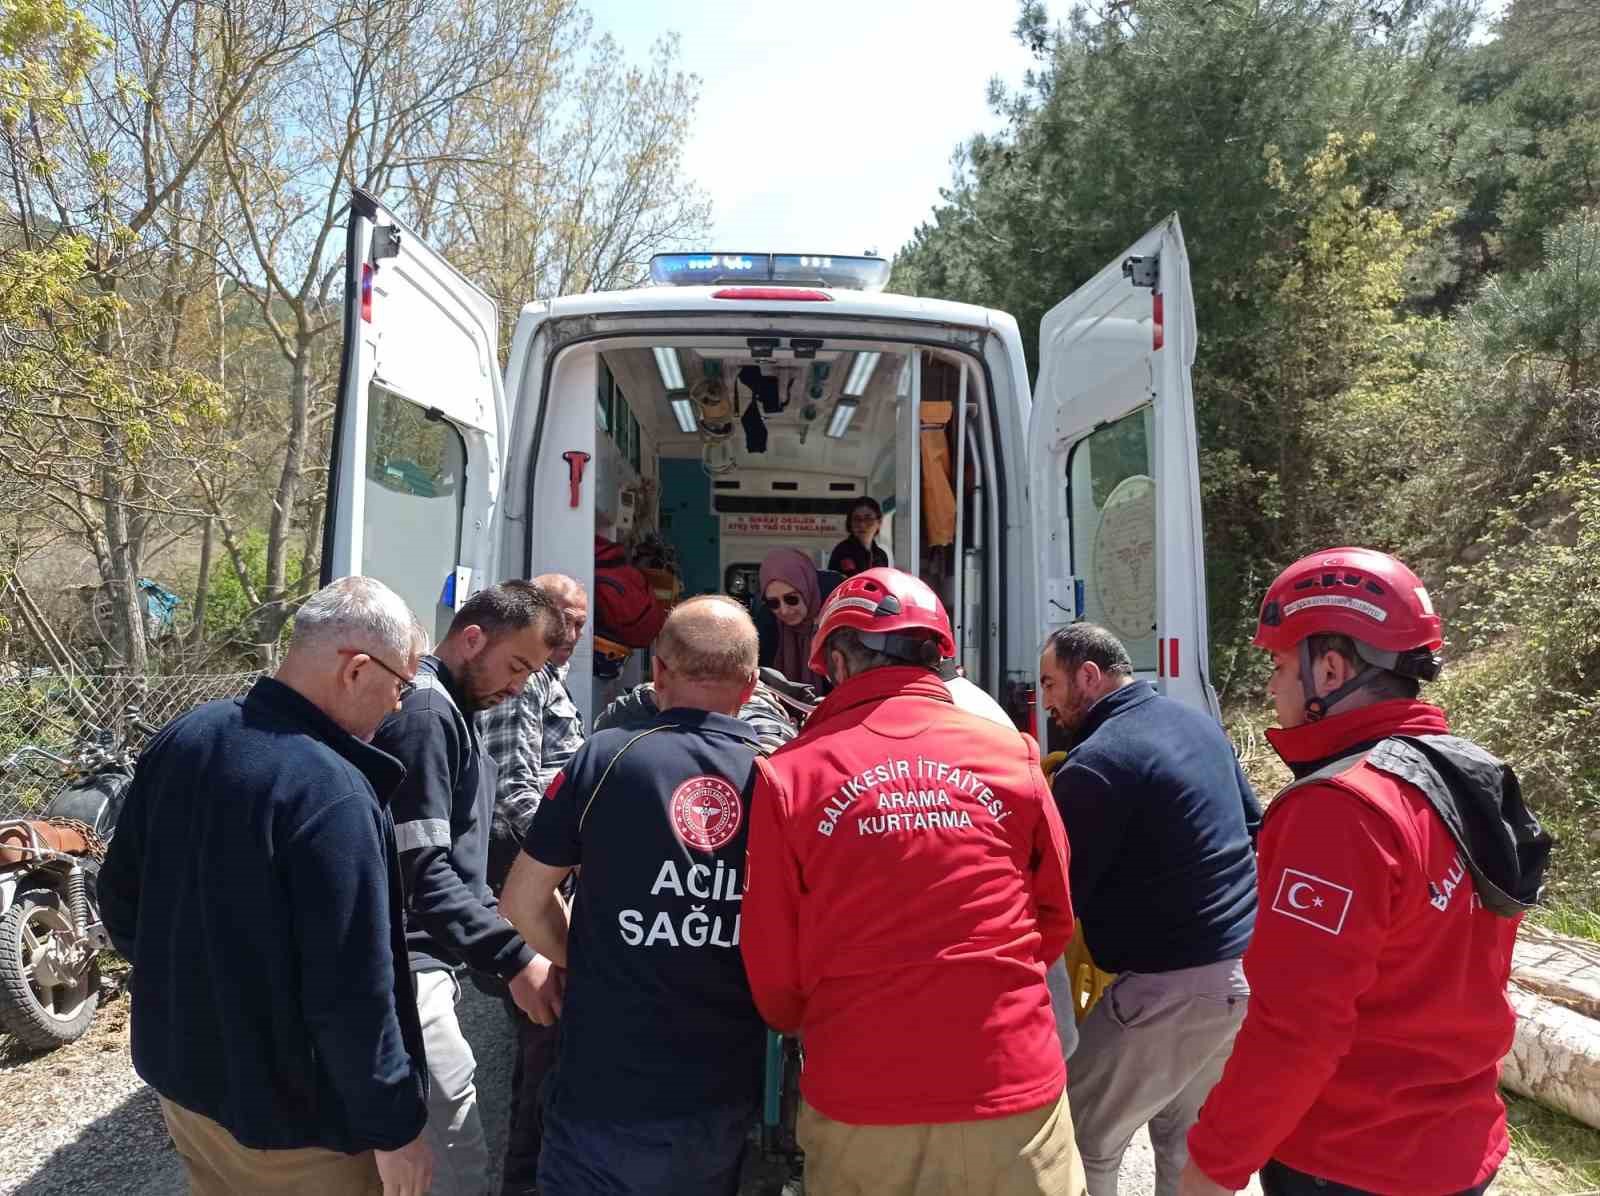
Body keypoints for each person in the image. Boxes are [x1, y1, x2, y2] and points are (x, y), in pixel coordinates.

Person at [1180, 548, 1552, 1196]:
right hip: (1459, 1148)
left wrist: (1211, 1166)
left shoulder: (1338, 810)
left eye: (1277, 666)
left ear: (1329, 669)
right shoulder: (1463, 777)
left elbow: (1296, 1029)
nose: (1270, 688)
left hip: (1353, 1161)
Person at [742, 567, 1086, 1196]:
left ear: (838, 664)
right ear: (935, 655)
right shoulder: (1011, 754)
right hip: (1009, 1085)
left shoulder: (789, 777)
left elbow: (773, 967)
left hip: (861, 1093)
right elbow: (1054, 916)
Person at [99, 577, 432, 1196]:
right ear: (357, 669)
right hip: (299, 1134)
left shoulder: (188, 735)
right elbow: (353, 994)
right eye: (401, 684)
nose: (397, 706)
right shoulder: (334, 796)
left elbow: (120, 898)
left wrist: (197, 998)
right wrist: (397, 1129)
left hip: (188, 1091)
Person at [501, 596, 769, 1195]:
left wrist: (582, 959)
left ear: (659, 672)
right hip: (721, 1094)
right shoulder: (776, 773)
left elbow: (522, 902)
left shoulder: (605, 756)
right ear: (750, 686)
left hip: (605, 1088)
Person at [1040, 623, 1260, 1196]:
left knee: (1082, 1135)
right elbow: (1256, 827)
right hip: (1240, 976)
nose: (1045, 703)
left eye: (1050, 684)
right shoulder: (1198, 724)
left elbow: (1057, 899)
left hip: (1168, 987)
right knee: (1185, 1139)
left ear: (1088, 676)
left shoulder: (1095, 764)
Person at [373, 580, 568, 1196]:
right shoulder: (428, 716)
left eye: (532, 674)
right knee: (452, 1146)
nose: (518, 686)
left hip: (429, 960)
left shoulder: (453, 710)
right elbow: (421, 871)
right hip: (409, 964)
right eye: (516, 666)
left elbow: (463, 867)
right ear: (472, 637)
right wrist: (516, 958)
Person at [475, 573, 589, 1196]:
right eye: (561, 619)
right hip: (523, 869)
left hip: (539, 867)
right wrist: (582, 849)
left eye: (579, 621)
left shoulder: (546, 678)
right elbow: (513, 793)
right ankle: (525, 1181)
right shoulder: (525, 686)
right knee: (544, 1035)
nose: (571, 633)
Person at [758, 546, 828, 689]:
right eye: (773, 603)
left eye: (791, 599)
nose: (783, 610)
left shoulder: (836, 624)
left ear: (807, 590)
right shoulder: (766, 626)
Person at [827, 496, 890, 577]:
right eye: (857, 519)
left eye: (868, 519)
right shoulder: (843, 551)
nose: (862, 525)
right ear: (850, 523)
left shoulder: (881, 556)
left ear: (879, 522)